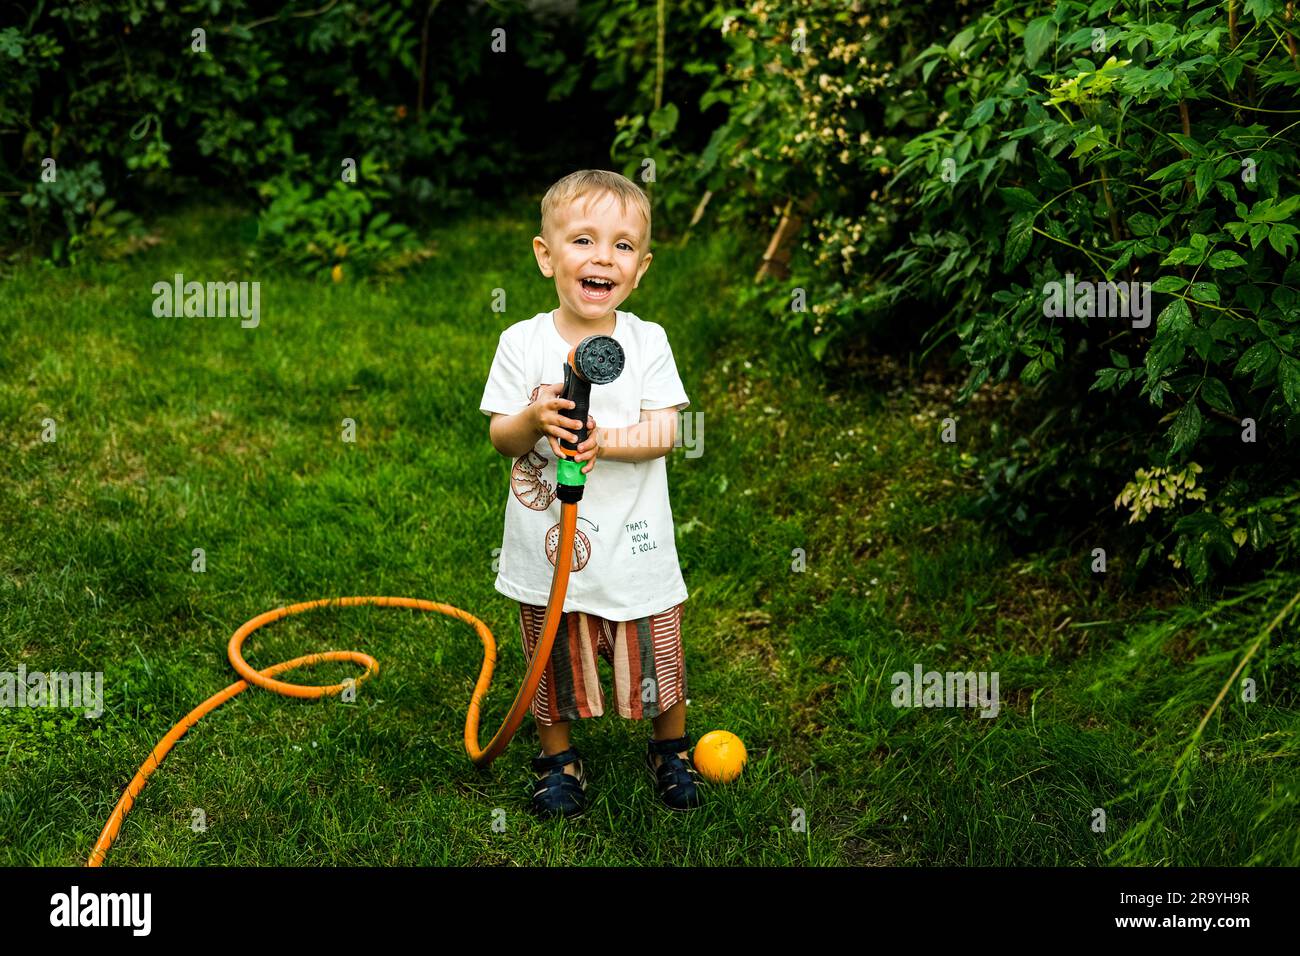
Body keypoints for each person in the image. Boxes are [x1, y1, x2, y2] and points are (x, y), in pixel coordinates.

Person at [478, 169, 703, 816]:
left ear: (641, 269)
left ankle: (670, 746)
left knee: (657, 651)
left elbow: (666, 428)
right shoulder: (521, 342)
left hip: (635, 549)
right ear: (547, 255)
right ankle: (559, 758)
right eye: (583, 239)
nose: (603, 256)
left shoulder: (647, 341)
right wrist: (533, 420)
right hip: (549, 552)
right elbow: (502, 437)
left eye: (623, 246)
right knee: (551, 656)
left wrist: (607, 439)